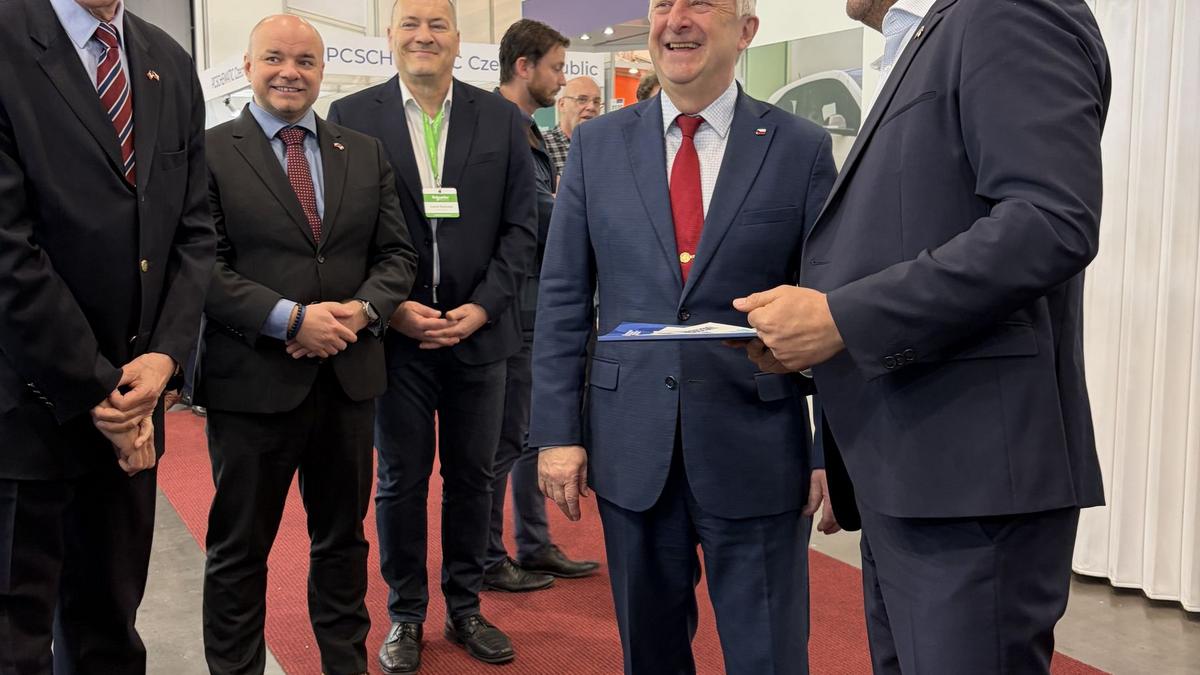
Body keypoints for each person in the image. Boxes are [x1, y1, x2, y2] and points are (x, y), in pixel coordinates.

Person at [733, 0, 1110, 672]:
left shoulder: (1007, 11)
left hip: (970, 483)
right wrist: (820, 335)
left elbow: (1051, 222)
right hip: (911, 472)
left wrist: (842, 319)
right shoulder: (928, 38)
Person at [529, 0, 837, 673]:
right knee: (651, 653)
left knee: (769, 655)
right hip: (630, 446)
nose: (677, 19)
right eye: (662, 4)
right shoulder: (598, 146)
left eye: (701, 2)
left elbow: (828, 306)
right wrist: (557, 433)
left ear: (746, 30)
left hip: (757, 446)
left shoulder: (800, 148)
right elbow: (563, 298)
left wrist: (830, 450)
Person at [198, 15, 417, 675]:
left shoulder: (363, 151)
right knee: (239, 550)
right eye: (274, 58)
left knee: (343, 543)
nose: (290, 72)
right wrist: (290, 319)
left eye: (305, 61)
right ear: (247, 65)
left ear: (322, 71)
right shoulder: (208, 151)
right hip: (251, 384)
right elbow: (202, 266)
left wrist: (360, 311)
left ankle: (345, 665)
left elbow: (397, 256)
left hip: (348, 382)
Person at [0, 0, 215, 671]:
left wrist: (165, 357)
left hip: (135, 408)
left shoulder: (167, 61)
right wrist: (99, 385)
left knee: (109, 630)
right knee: (14, 640)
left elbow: (194, 231)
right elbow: (7, 249)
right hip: (25, 411)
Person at [327, 0, 538, 670]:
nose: (424, 35)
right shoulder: (351, 117)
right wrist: (388, 309)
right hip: (396, 339)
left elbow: (521, 229)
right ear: (390, 36)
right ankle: (407, 614)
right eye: (411, 23)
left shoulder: (501, 119)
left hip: (481, 334)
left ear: (457, 38)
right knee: (400, 480)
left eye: (437, 24)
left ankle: (466, 606)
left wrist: (483, 307)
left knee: (475, 477)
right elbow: (343, 234)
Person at [488, 18, 600, 594]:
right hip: (510, 308)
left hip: (537, 304)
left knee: (531, 436)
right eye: (556, 68)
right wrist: (590, 213)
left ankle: (532, 544)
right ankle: (488, 557)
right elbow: (536, 212)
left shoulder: (527, 131)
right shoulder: (495, 128)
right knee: (502, 443)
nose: (561, 80)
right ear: (523, 66)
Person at [543, 76, 601, 179]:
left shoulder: (607, 146)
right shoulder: (542, 146)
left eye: (596, 102)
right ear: (562, 105)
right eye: (582, 100)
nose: (591, 107)